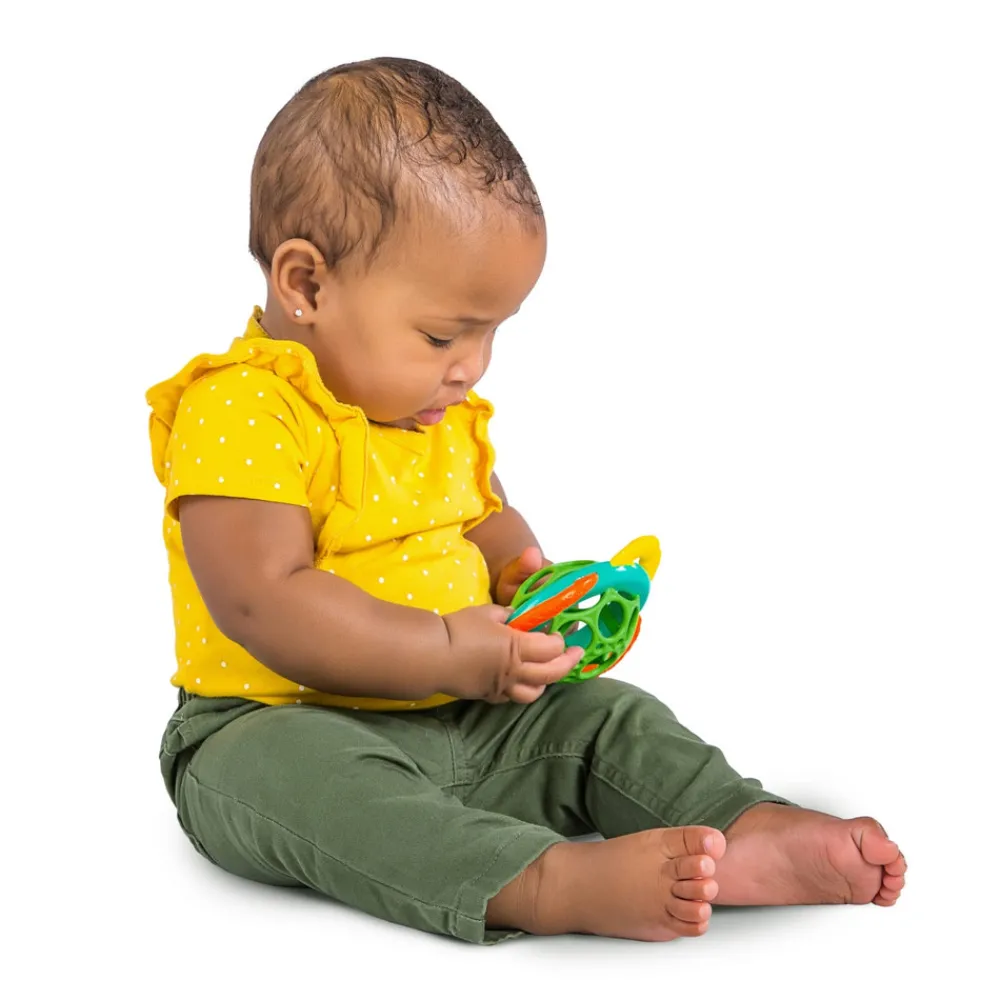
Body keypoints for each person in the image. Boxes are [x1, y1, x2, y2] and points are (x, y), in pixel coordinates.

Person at [148, 57, 906, 945]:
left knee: (606, 716)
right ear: (306, 285)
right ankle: (544, 881)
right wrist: (445, 650)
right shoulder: (243, 408)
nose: (471, 367)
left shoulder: (429, 408)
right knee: (314, 785)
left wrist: (520, 570)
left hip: (465, 711)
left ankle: (738, 828)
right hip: (282, 723)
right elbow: (263, 600)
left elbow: (482, 513)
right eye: (442, 334)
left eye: (490, 334)